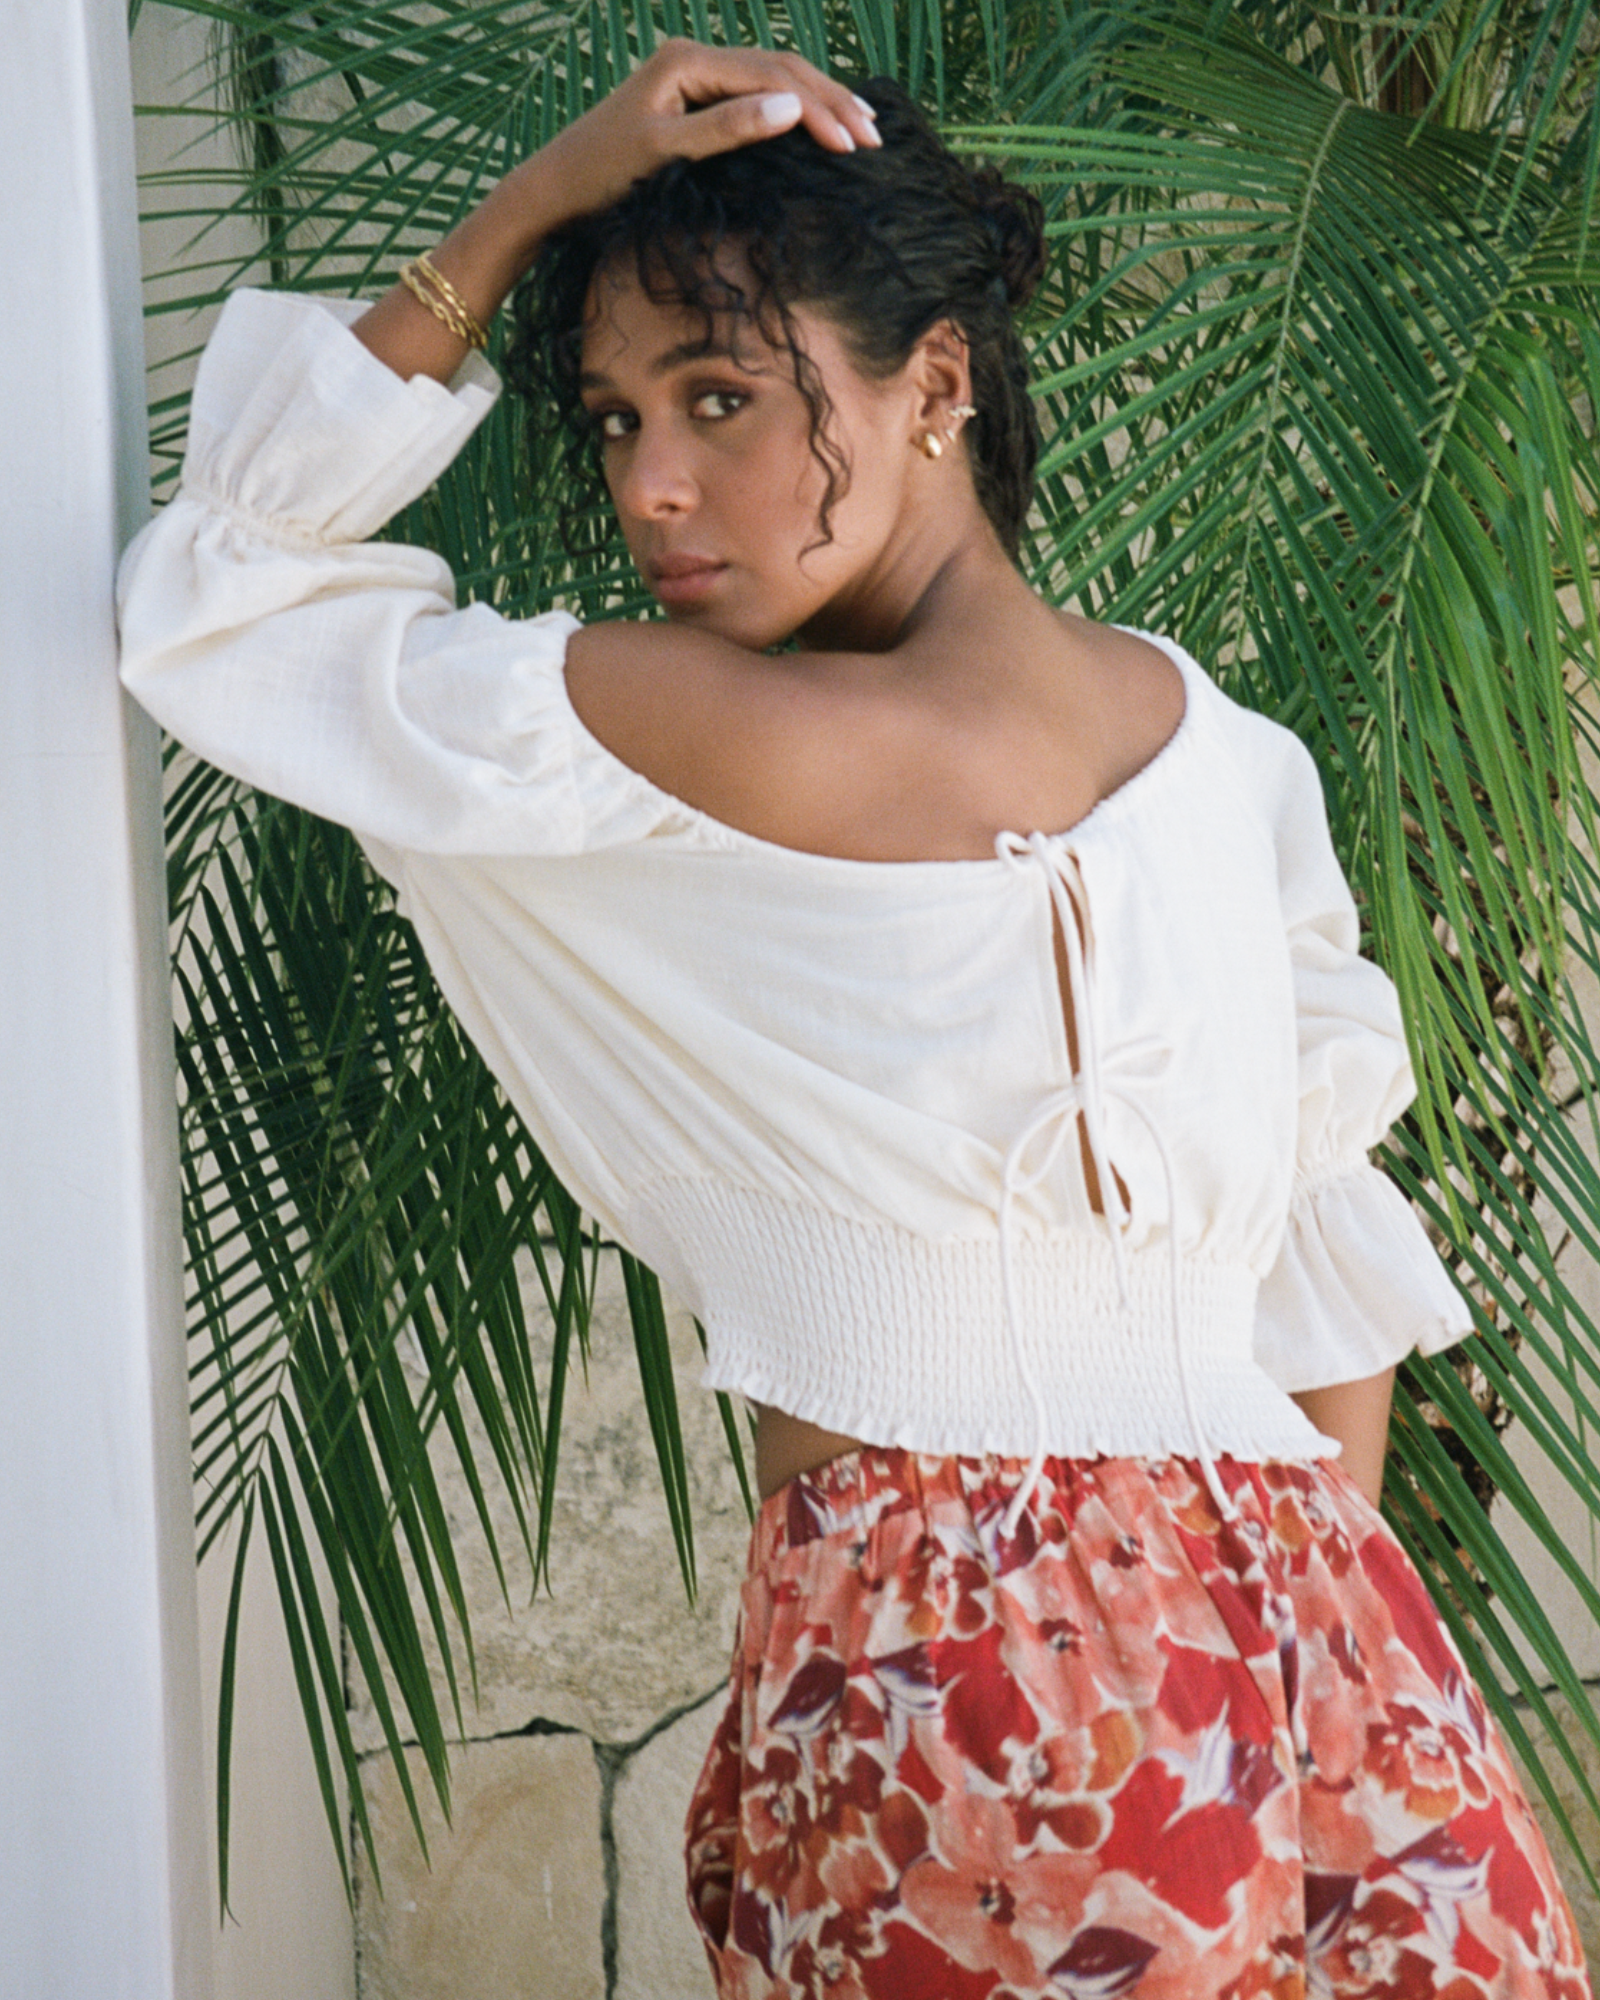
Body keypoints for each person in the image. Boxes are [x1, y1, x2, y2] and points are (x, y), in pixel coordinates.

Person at [117, 39, 1593, 2000]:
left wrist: (531, 201)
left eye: (719, 397)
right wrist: (1267, 1681)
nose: (648, 482)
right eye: (615, 416)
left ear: (939, 382)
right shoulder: (1230, 760)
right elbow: (1325, 1281)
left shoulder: (692, 734)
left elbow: (231, 592)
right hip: (1334, 1664)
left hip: (959, 1672)